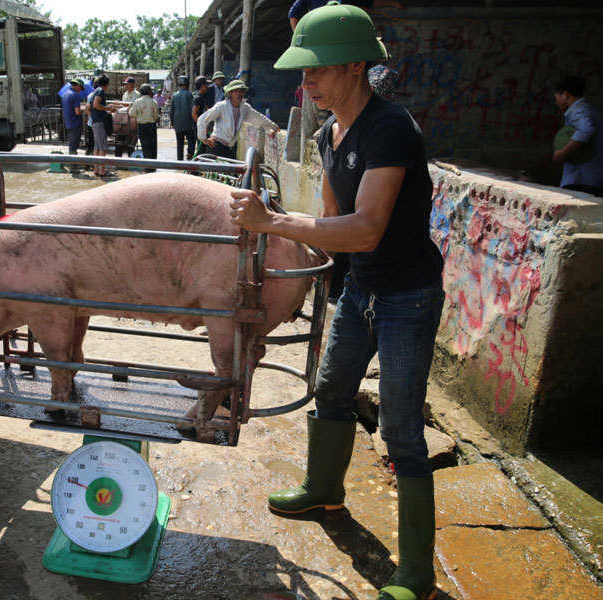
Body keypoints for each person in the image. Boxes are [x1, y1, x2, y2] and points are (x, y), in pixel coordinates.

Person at [231, 4, 444, 600]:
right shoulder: (329, 133)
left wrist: (274, 220)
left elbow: (365, 228)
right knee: (331, 390)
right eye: (304, 73)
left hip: (407, 295)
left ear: (355, 65)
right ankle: (324, 489)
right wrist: (324, 290)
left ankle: (417, 573)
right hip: (362, 291)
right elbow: (331, 222)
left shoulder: (391, 128)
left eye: (317, 70)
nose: (306, 82)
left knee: (401, 427)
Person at [197, 79, 280, 159]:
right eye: (236, 91)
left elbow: (258, 118)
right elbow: (202, 119)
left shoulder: (244, 108)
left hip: (230, 148)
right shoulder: (221, 106)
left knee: (231, 172)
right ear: (230, 93)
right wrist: (204, 139)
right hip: (216, 146)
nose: (239, 94)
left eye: (241, 91)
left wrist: (273, 126)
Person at [553, 75, 603, 196]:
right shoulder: (591, 109)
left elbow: (585, 131)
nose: (556, 101)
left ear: (565, 95)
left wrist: (561, 153)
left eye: (556, 97)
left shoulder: (579, 110)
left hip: (581, 180)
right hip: (593, 179)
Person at [289, 0, 403, 30]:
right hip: (320, 34)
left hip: (343, 33)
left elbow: (369, 3)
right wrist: (298, 38)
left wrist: (392, 3)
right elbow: (293, 12)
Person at [89, 74, 119, 177]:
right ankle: (102, 170)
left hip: (95, 121)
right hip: (99, 122)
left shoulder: (95, 91)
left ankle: (96, 169)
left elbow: (94, 106)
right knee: (103, 147)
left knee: (97, 146)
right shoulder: (100, 91)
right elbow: (96, 105)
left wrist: (106, 108)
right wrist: (108, 109)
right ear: (107, 84)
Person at [129, 83, 159, 170]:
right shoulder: (154, 102)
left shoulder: (138, 102)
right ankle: (153, 166)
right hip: (152, 126)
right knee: (153, 146)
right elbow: (156, 116)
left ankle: (147, 166)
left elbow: (131, 114)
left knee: (145, 146)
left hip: (142, 127)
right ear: (149, 92)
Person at [61, 78, 86, 172]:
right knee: (73, 145)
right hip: (75, 123)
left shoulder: (65, 94)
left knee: (72, 143)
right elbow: (77, 112)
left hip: (68, 122)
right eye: (80, 88)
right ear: (77, 86)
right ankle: (73, 167)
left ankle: (72, 164)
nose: (80, 90)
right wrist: (84, 110)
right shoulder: (75, 95)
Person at [170, 75, 196, 161]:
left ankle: (179, 161)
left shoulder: (175, 95)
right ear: (187, 84)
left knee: (179, 144)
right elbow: (192, 110)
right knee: (192, 140)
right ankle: (190, 155)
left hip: (178, 125)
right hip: (188, 124)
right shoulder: (189, 94)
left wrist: (173, 123)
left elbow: (171, 111)